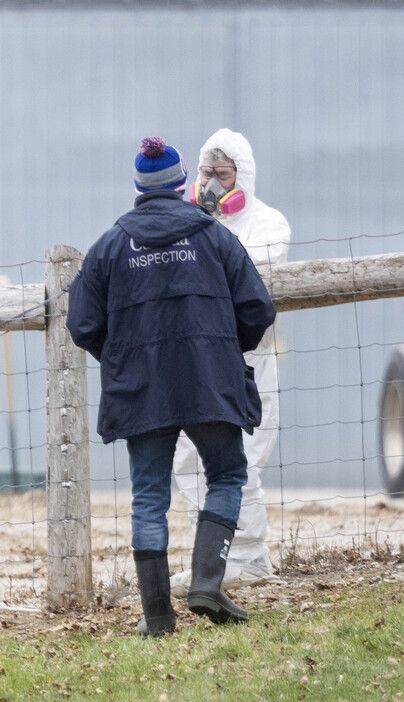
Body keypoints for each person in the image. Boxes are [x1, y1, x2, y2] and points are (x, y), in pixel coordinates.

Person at [66, 138, 276, 635]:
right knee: (227, 475)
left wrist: (121, 357)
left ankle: (157, 617)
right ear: (182, 183)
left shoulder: (111, 245)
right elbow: (258, 309)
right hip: (210, 378)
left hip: (142, 389)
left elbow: (82, 323)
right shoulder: (213, 235)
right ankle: (206, 581)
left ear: (139, 187)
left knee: (148, 497)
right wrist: (223, 348)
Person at [171, 129, 291, 595]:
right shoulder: (188, 220)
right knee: (188, 458)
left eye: (222, 175)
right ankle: (212, 557)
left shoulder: (269, 223)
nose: (213, 184)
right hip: (197, 357)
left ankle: (249, 557)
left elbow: (252, 269)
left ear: (243, 176)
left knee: (245, 459)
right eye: (206, 173)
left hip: (248, 359)